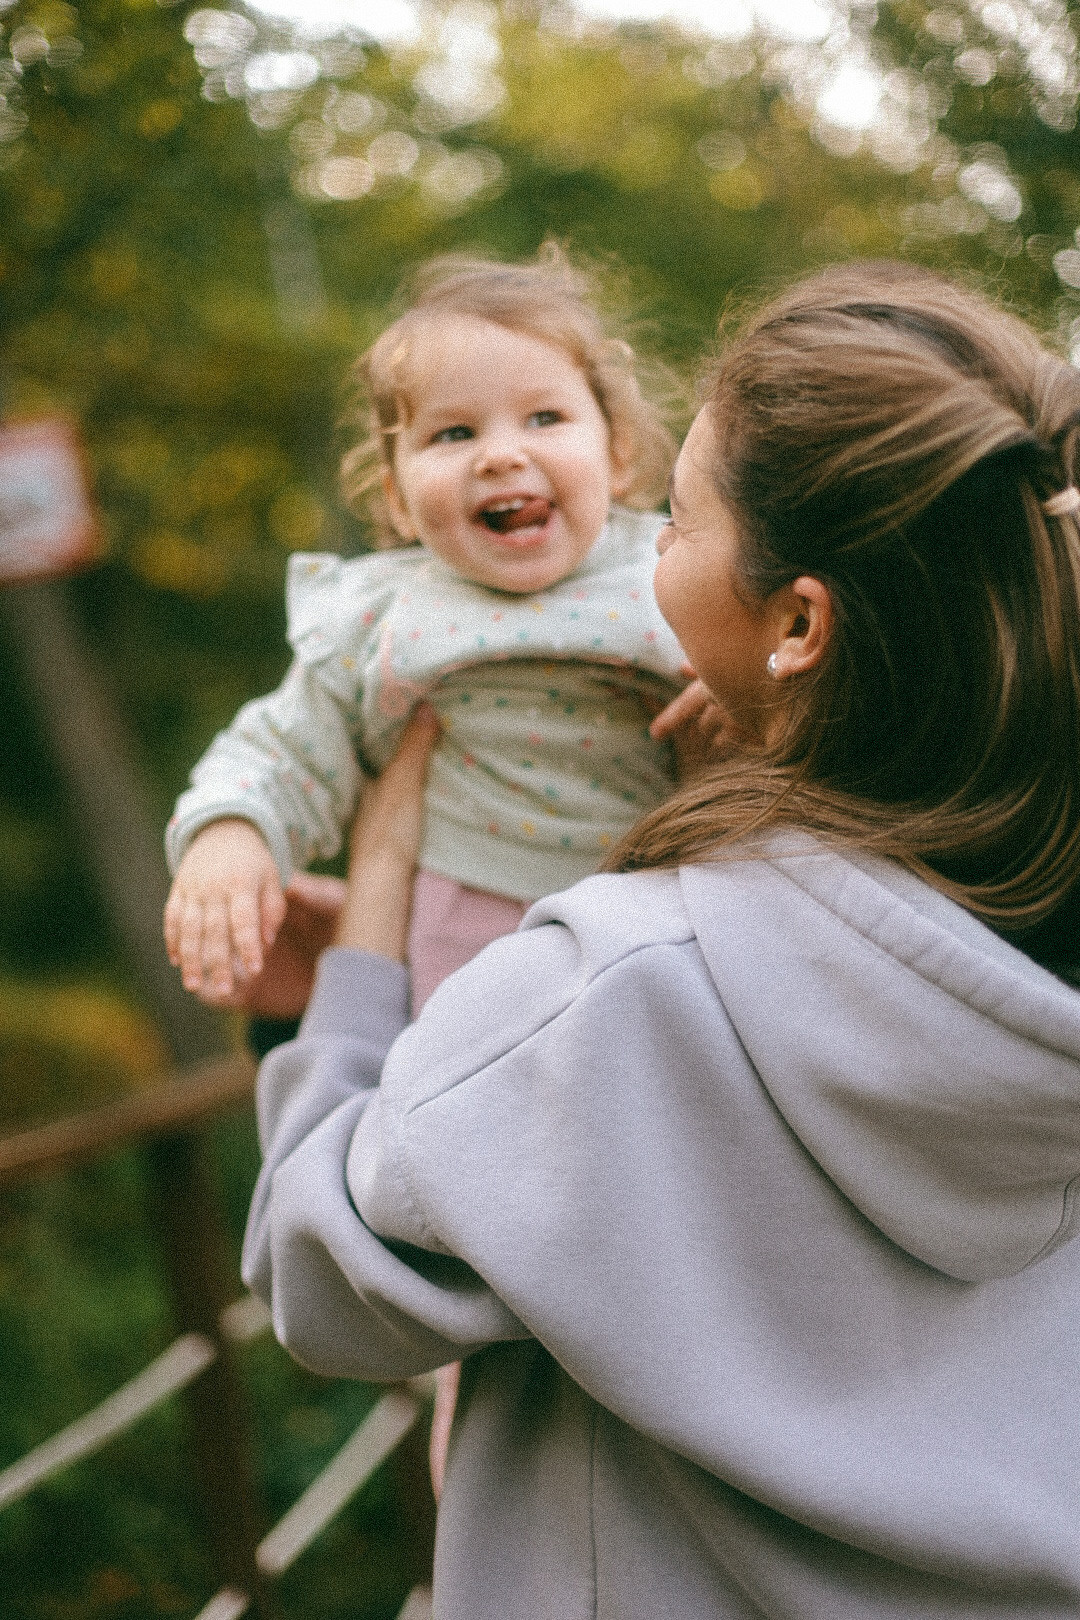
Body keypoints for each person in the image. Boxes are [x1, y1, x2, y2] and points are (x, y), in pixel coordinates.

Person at [243, 260, 1080, 1618]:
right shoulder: (1047, 934)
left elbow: (321, 1278)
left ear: (799, 622)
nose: (647, 554)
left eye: (676, 521)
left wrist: (363, 961)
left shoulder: (617, 990)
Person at [163, 246, 689, 1018]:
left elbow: (776, 669)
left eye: (544, 417)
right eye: (452, 434)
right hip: (462, 922)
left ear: (616, 454)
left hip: (658, 906)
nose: (501, 454)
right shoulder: (384, 615)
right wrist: (232, 834)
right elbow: (282, 748)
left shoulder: (671, 570)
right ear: (400, 501)